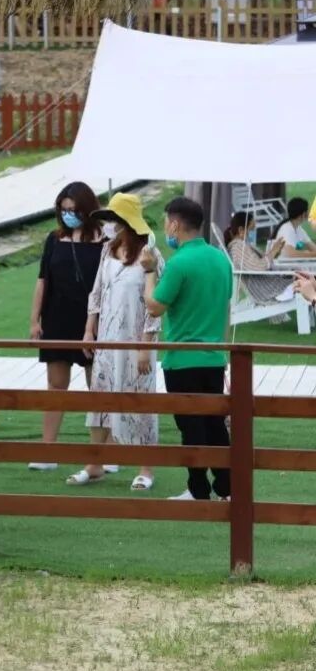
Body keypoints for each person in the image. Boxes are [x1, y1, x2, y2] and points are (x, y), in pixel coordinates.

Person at [141, 196, 233, 501]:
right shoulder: (221, 259)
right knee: (215, 425)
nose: (166, 228)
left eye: (166, 222)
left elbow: (154, 306)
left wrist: (149, 272)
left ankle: (198, 489)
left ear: (175, 224)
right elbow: (225, 308)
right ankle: (226, 487)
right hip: (214, 357)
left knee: (192, 427)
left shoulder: (179, 263)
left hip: (183, 360)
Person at [69, 193, 162, 490]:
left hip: (136, 341)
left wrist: (146, 345)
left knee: (139, 401)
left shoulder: (150, 255)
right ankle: (95, 464)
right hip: (107, 340)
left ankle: (146, 469)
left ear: (127, 222)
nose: (109, 225)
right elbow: (96, 292)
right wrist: (89, 330)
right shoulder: (107, 250)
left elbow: (155, 305)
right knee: (100, 400)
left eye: (114, 219)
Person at [27, 182, 106, 472]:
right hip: (57, 318)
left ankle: (103, 452)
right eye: (64, 210)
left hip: (93, 320)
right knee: (56, 384)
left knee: (97, 386)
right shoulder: (54, 239)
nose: (69, 214)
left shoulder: (105, 241)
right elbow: (42, 280)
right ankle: (48, 450)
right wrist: (34, 320)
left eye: (74, 210)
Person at [224, 211, 292, 307]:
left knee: (302, 279)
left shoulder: (241, 245)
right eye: (251, 230)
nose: (251, 234)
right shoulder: (238, 247)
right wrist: (273, 251)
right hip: (266, 290)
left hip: (267, 285)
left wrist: (275, 252)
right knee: (304, 282)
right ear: (241, 230)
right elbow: (258, 267)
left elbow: (259, 262)